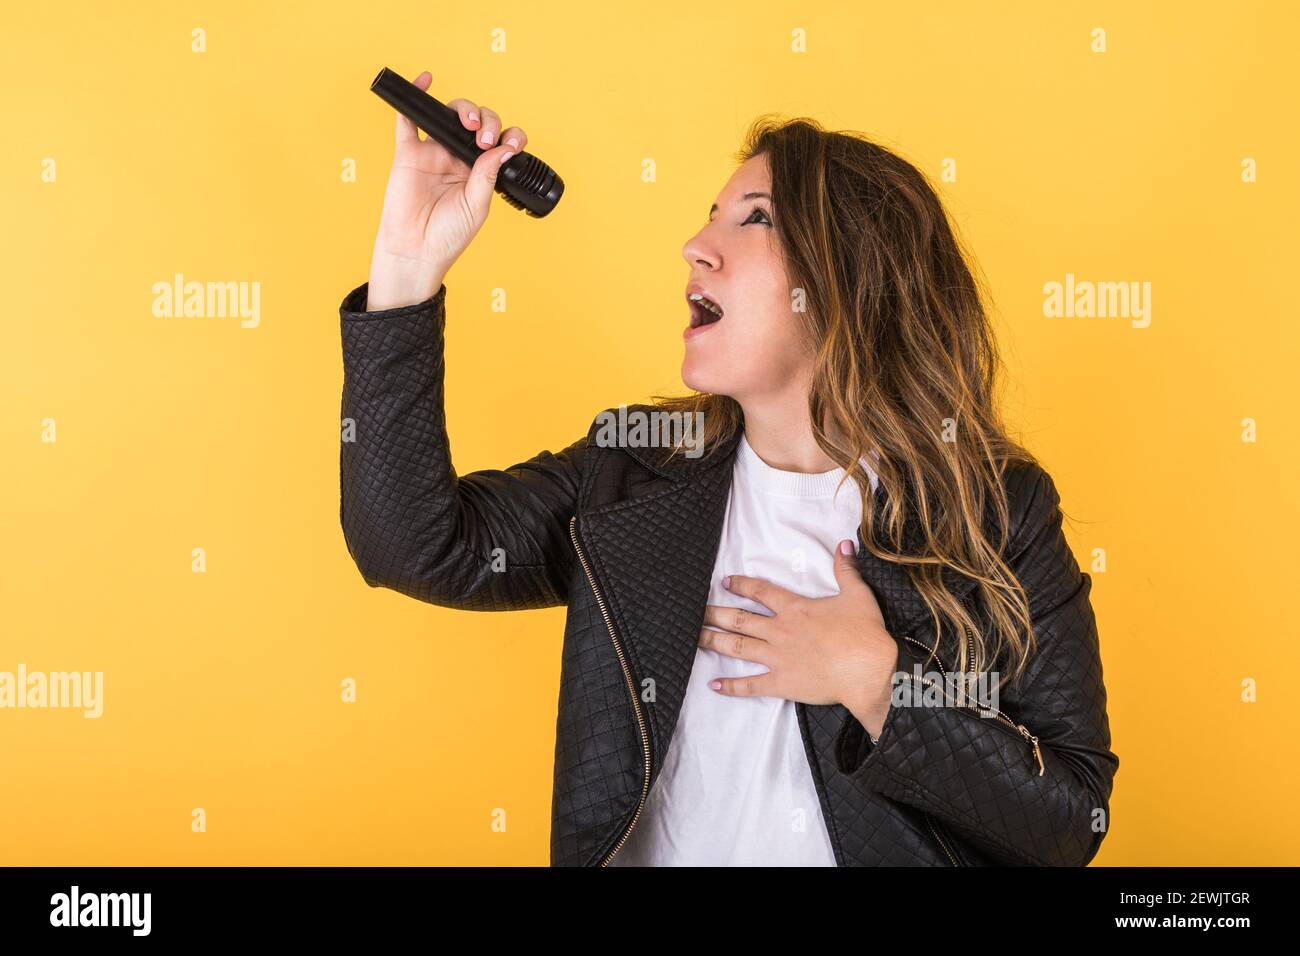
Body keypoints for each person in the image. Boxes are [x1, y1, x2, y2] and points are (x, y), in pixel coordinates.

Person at [338, 69, 1119, 866]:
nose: (696, 247)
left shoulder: (996, 511)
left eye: (755, 219)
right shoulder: (634, 468)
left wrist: (878, 682)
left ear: (851, 280)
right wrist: (406, 266)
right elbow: (412, 546)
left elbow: (1071, 818)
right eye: (710, 216)